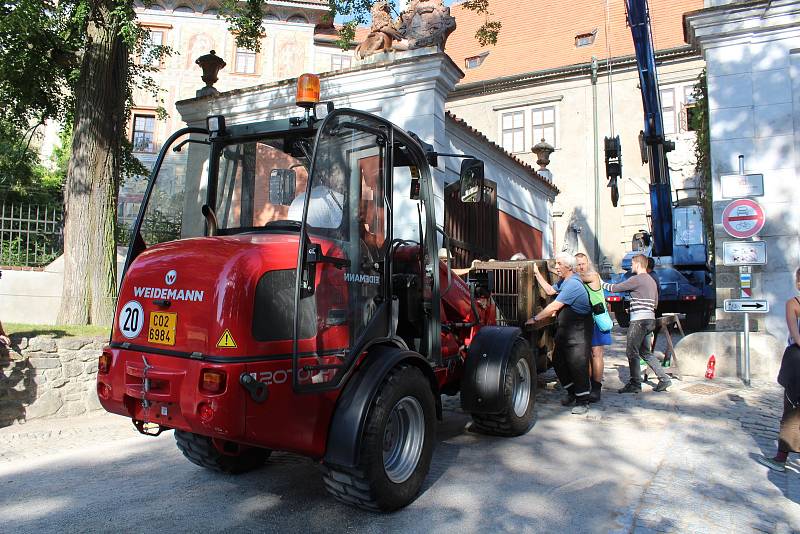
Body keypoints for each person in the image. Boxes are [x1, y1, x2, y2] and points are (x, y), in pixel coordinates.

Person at [527, 252, 593, 414]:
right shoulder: (565, 281)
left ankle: (583, 401)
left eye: (558, 264)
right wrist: (536, 273)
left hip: (579, 330)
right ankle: (572, 392)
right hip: (566, 330)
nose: (556, 267)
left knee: (577, 364)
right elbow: (549, 291)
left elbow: (554, 307)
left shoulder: (573, 284)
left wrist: (535, 319)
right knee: (558, 360)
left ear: (568, 267)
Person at [602, 254, 672, 393]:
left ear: (638, 265)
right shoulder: (652, 281)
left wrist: (599, 281)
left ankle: (635, 383)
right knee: (645, 353)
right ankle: (664, 379)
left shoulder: (637, 279)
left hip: (639, 321)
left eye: (633, 264)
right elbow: (655, 304)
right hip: (649, 319)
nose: (631, 267)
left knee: (631, 351)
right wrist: (636, 306)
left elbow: (614, 288)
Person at [756, 267, 800, 472]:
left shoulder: (794, 303)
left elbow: (795, 335)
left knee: (791, 409)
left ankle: (781, 458)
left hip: (797, 359)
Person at [575, 253, 611, 402]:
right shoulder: (578, 277)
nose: (581, 267)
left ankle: (596, 388)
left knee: (596, 354)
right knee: (589, 355)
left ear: (587, 263)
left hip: (597, 319)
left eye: (583, 263)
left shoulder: (593, 275)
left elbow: (575, 278)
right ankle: (590, 386)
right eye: (578, 264)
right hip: (585, 320)